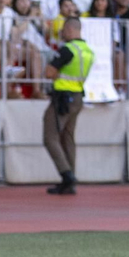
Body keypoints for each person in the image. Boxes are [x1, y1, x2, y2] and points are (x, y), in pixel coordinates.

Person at [44, 17, 93, 195]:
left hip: (62, 99)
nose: (62, 34)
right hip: (78, 96)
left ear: (70, 29)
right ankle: (70, 181)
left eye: (63, 30)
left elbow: (49, 72)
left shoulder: (68, 50)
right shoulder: (88, 50)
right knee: (68, 138)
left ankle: (67, 175)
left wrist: (55, 74)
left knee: (50, 137)